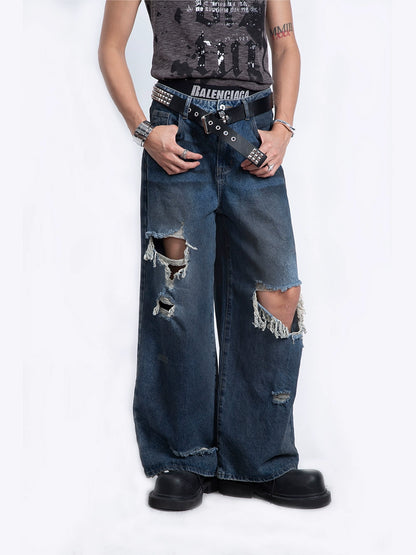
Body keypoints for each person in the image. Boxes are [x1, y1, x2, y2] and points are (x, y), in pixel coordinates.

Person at [98, 0, 331, 511]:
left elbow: (285, 44)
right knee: (177, 299)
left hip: (253, 135)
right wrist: (143, 130)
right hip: (178, 134)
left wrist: (284, 129)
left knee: (276, 293)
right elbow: (111, 47)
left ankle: (260, 459)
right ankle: (183, 457)